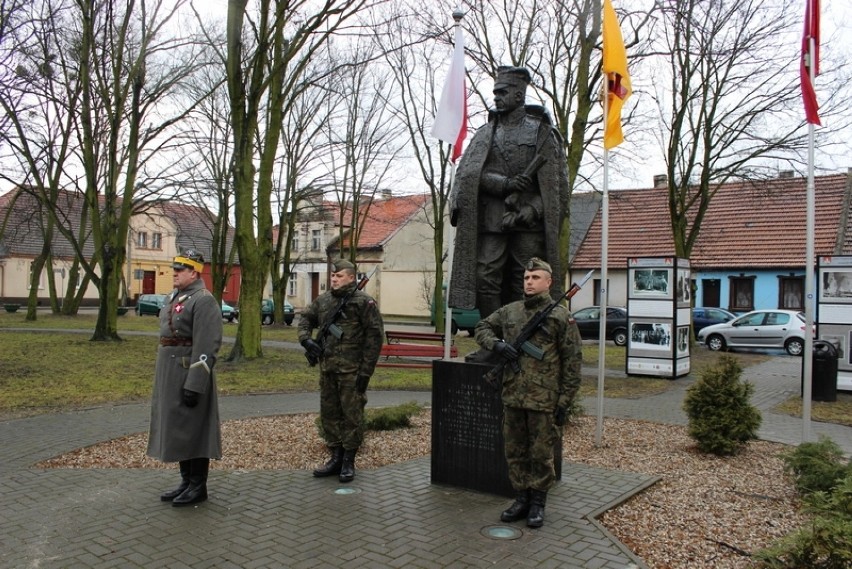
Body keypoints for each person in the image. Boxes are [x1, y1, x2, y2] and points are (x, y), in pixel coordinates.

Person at [449, 66, 569, 321]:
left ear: (519, 95)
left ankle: (519, 336)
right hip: (492, 219)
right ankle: (493, 334)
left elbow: (557, 185)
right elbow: (470, 175)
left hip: (528, 223)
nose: (496, 97)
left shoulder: (542, 132)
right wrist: (505, 184)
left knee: (524, 278)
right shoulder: (484, 135)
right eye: (495, 92)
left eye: (503, 92)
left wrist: (534, 209)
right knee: (485, 276)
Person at [474, 257, 582, 528]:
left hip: (544, 399)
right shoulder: (511, 311)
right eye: (526, 278)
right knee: (515, 450)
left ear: (549, 282)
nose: (529, 282)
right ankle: (521, 498)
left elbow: (572, 362)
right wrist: (497, 346)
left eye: (535, 278)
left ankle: (538, 503)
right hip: (513, 395)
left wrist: (564, 401)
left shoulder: (560, 316)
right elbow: (482, 327)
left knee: (541, 453)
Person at [147, 249, 223, 507]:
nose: (175, 273)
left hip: (189, 374)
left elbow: (207, 345)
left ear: (194, 272)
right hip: (170, 373)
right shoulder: (175, 296)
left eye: (181, 270)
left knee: (194, 430)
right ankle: (186, 481)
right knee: (179, 430)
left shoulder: (204, 300)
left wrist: (195, 383)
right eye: (175, 269)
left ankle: (198, 485)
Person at [298, 259, 384, 483]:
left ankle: (348, 460)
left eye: (338, 276)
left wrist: (366, 372)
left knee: (352, 415)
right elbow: (306, 318)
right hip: (328, 369)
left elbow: (374, 339)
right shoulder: (324, 300)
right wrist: (306, 340)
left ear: (350, 277)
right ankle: (335, 456)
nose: (333, 279)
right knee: (329, 414)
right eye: (332, 276)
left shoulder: (363, 303)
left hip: (352, 371)